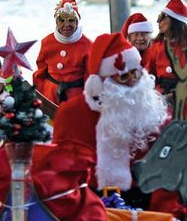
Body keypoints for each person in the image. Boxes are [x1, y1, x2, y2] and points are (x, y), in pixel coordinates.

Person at [51, 30, 176, 207]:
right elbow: (63, 171)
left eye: (137, 73)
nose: (133, 81)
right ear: (103, 81)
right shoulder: (72, 114)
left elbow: (168, 165)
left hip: (145, 198)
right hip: (90, 202)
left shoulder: (153, 111)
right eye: (124, 76)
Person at [142, 0, 187, 146]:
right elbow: (148, 76)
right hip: (163, 99)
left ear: (173, 21)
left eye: (162, 18)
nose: (158, 22)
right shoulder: (156, 46)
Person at [39, 0, 94, 104]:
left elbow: (90, 77)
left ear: (77, 22)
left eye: (71, 20)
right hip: (50, 95)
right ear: (56, 22)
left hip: (76, 98)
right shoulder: (47, 41)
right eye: (62, 20)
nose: (66, 25)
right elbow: (40, 71)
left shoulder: (87, 45)